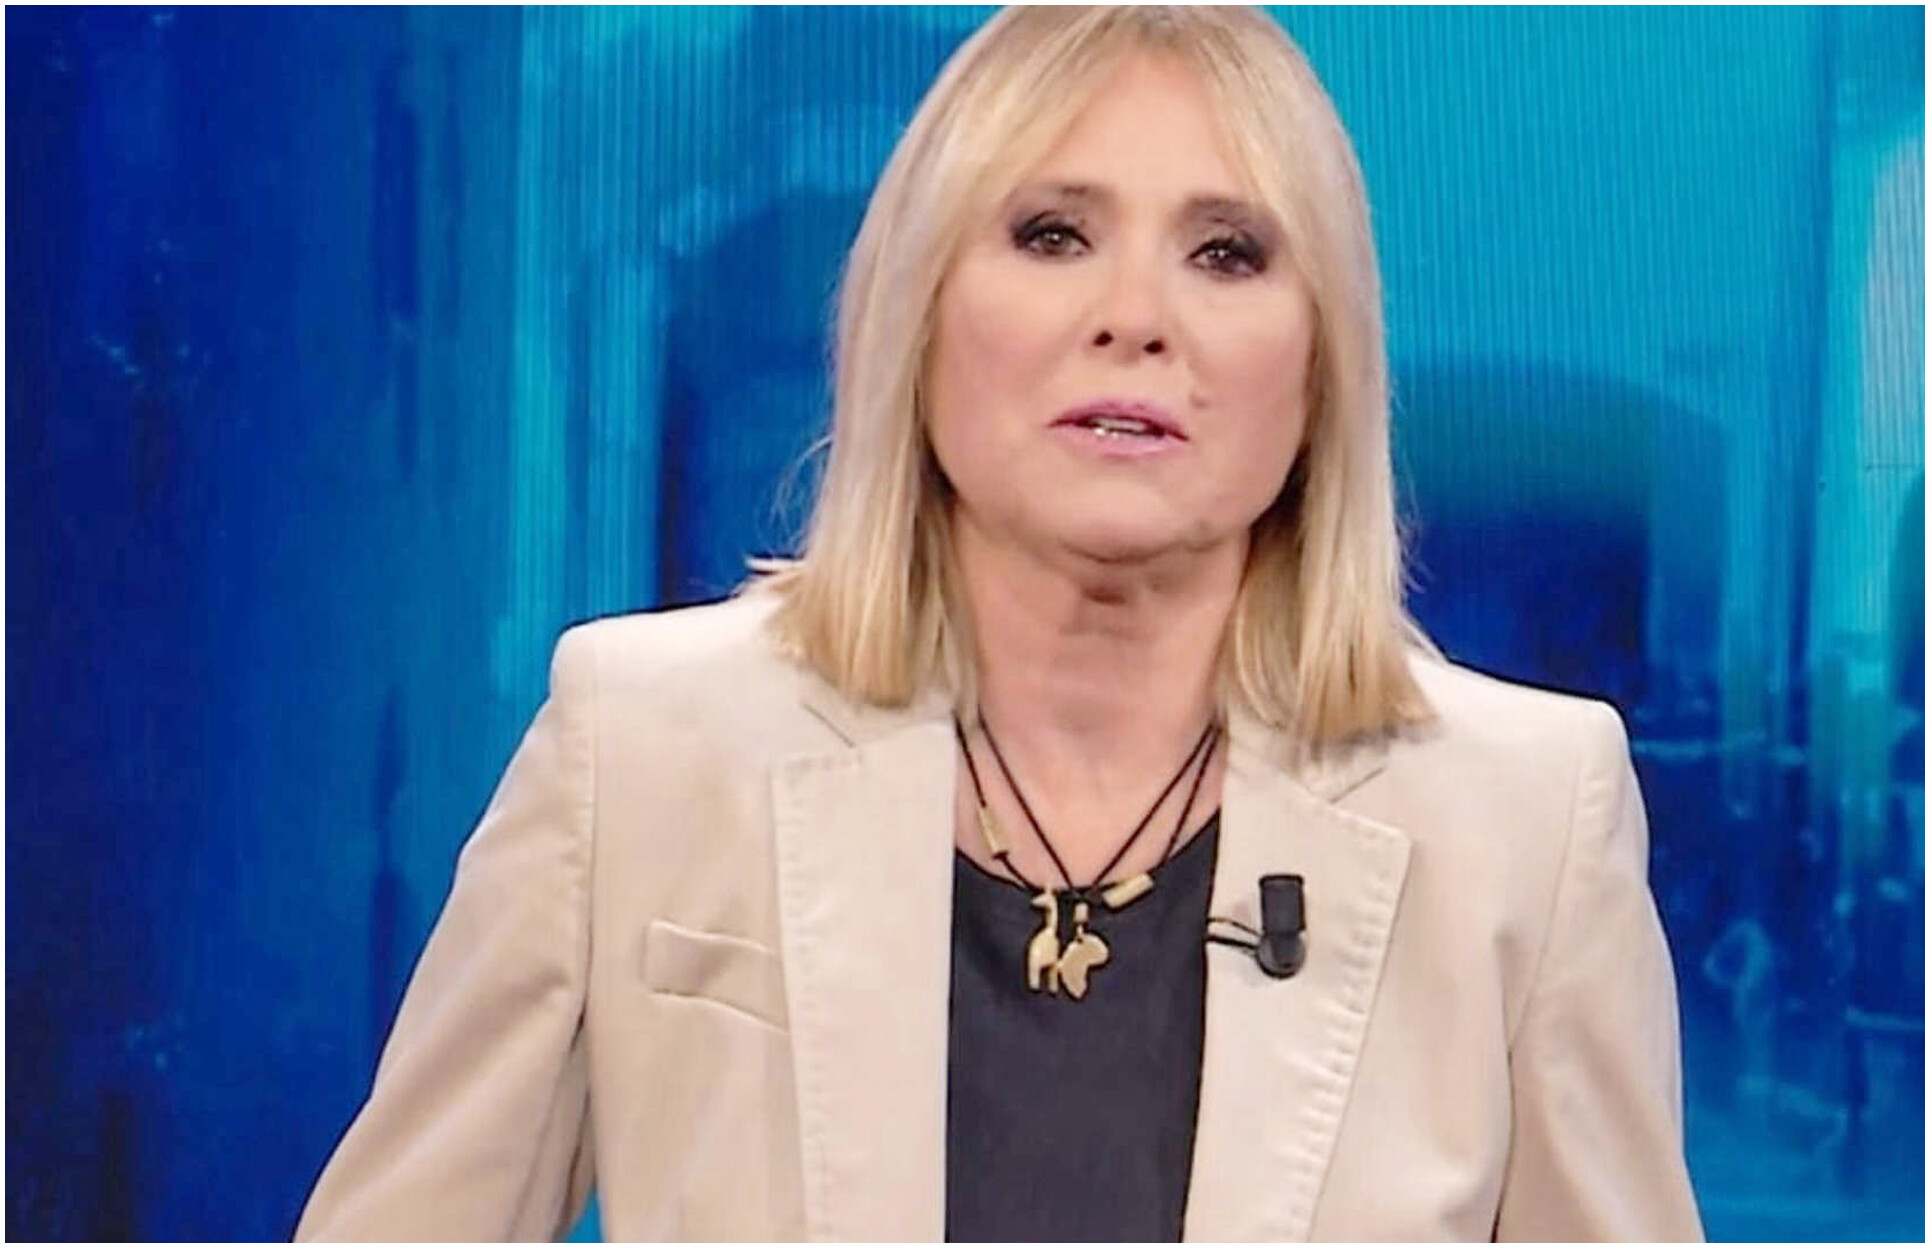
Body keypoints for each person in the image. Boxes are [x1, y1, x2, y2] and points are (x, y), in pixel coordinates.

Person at [296, 6, 1702, 1241]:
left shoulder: (1524, 820)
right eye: (1052, 235)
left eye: (1226, 253)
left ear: (1321, 365)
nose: (1135, 317)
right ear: (916, 314)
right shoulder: (644, 745)